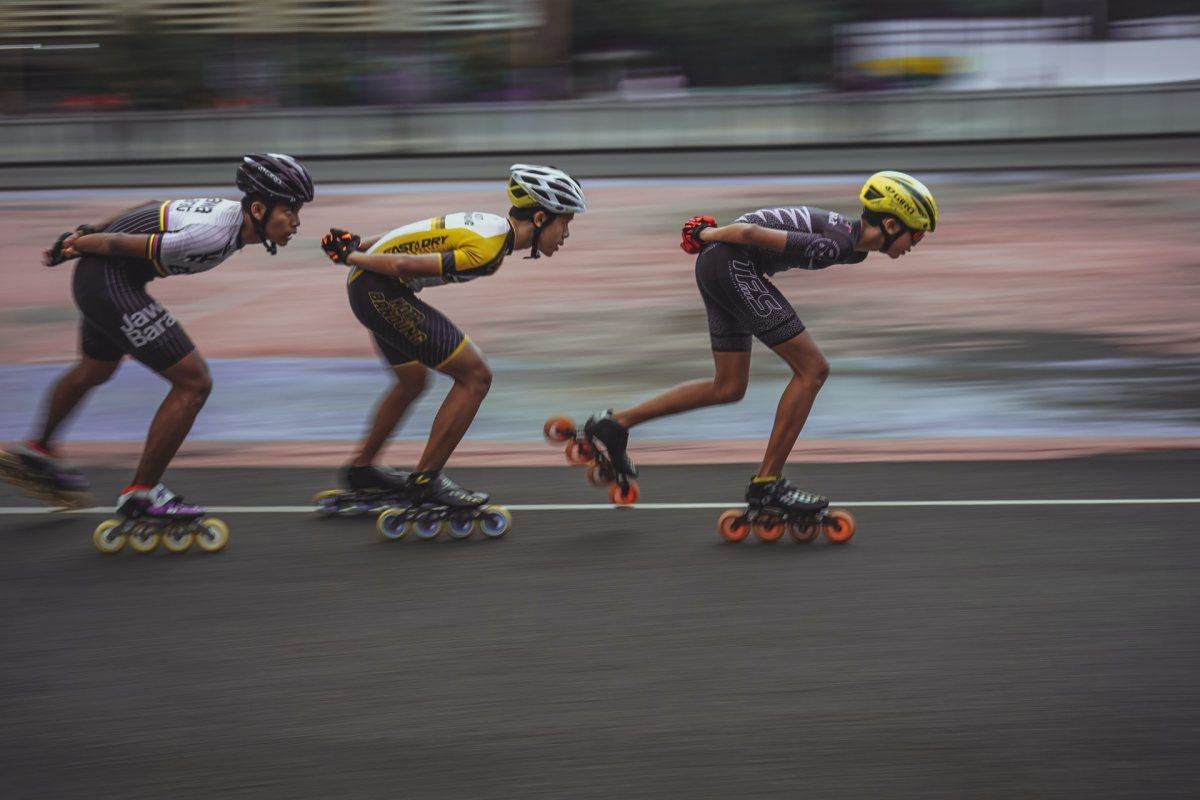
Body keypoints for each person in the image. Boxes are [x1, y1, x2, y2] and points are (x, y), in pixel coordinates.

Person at [576, 170, 938, 515]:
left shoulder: (851, 243)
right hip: (731, 261)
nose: (915, 245)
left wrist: (711, 242)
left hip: (720, 265)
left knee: (728, 386)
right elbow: (750, 233)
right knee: (812, 370)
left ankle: (615, 424)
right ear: (891, 225)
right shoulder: (837, 243)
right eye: (917, 235)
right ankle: (768, 484)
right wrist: (706, 235)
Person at [0, 153, 313, 528]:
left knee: (95, 369)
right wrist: (79, 243)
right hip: (108, 279)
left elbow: (150, 206)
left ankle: (38, 450)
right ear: (259, 209)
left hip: (106, 280)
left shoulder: (232, 216)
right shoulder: (213, 233)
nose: (296, 222)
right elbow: (117, 245)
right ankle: (142, 495)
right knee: (193, 383)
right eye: (290, 211)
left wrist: (83, 234)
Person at [317, 164, 585, 514]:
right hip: (380, 289)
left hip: (371, 287)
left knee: (411, 382)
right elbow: (404, 266)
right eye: (564, 224)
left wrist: (358, 245)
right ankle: (426, 482)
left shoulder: (487, 224)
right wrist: (351, 254)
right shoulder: (488, 250)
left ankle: (363, 472)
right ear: (539, 218)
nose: (565, 235)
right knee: (476, 376)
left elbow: (411, 234)